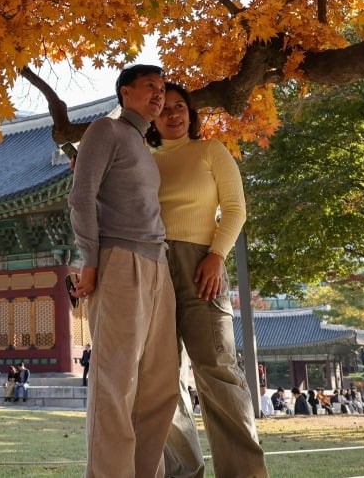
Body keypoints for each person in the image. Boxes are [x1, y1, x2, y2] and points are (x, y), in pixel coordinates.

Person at [151, 81, 268, 478]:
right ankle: (184, 471)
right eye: (163, 108)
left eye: (179, 106)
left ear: (191, 111)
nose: (173, 114)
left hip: (203, 264)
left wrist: (217, 255)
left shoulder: (211, 151)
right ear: (151, 115)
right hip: (152, 269)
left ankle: (244, 472)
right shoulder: (142, 159)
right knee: (159, 377)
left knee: (217, 370)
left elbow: (235, 209)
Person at [69, 63, 180, 478]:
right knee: (115, 382)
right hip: (119, 262)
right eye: (150, 86)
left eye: (163, 87)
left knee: (159, 385)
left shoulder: (144, 147)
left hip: (158, 265)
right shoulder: (105, 130)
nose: (158, 94)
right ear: (125, 91)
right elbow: (81, 198)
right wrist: (91, 261)